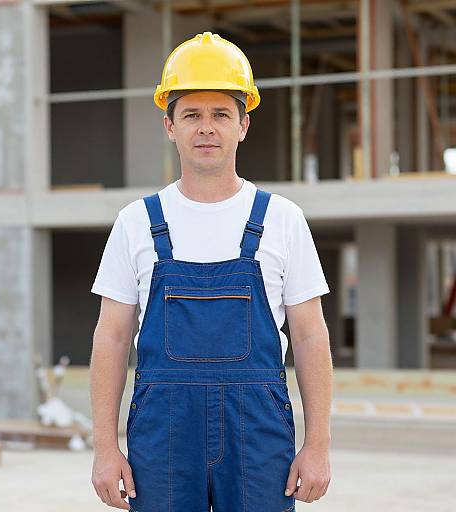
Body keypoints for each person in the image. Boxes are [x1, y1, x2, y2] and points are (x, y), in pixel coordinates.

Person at [90, 31, 332, 511]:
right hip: (162, 437)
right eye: (192, 115)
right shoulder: (136, 222)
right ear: (169, 126)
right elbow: (112, 338)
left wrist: (318, 445)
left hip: (259, 438)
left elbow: (310, 336)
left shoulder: (282, 219)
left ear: (243, 125)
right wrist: (103, 448)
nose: (207, 128)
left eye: (221, 114)